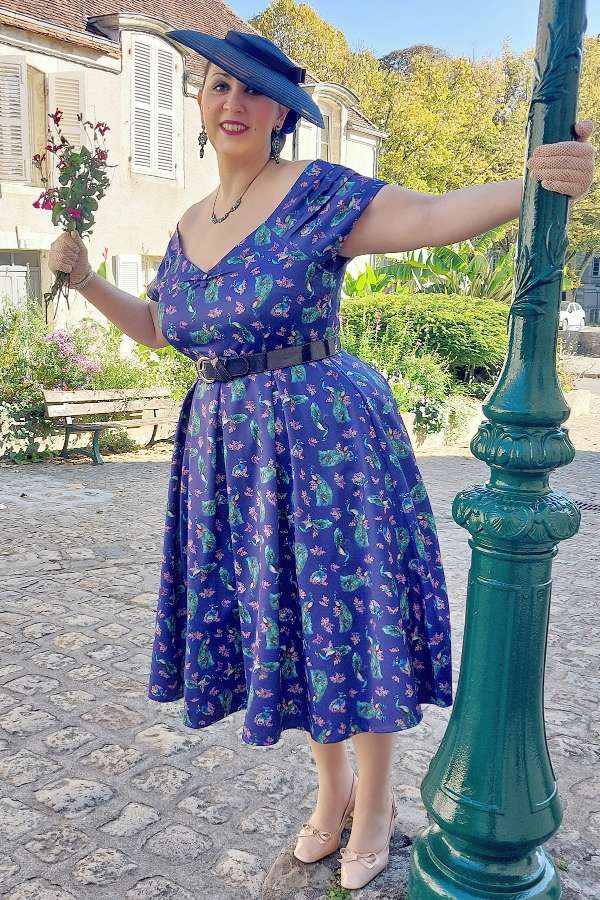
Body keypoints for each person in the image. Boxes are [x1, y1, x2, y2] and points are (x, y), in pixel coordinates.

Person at [49, 28, 595, 892]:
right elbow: (161, 329)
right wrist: (85, 281)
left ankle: (374, 804)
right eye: (219, 85)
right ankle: (332, 790)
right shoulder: (189, 226)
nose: (234, 101)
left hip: (325, 441)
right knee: (292, 623)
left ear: (282, 113)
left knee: (350, 618)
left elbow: (426, 215)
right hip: (231, 455)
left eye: (254, 90)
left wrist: (531, 184)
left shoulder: (315, 193)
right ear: (200, 103)